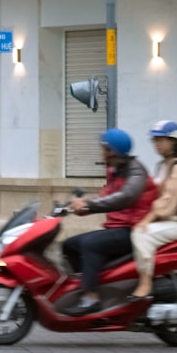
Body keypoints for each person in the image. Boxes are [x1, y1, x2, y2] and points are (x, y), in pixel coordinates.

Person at [62, 128, 157, 316]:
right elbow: (105, 197)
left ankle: (91, 298)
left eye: (103, 148)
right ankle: (94, 285)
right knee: (69, 245)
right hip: (116, 227)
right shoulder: (114, 170)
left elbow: (125, 197)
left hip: (133, 229)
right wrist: (78, 207)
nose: (101, 152)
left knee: (91, 244)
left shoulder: (136, 171)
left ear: (112, 151)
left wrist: (88, 204)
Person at [129, 120, 177, 300]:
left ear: (174, 142)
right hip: (164, 219)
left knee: (141, 234)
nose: (157, 144)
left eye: (162, 140)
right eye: (155, 140)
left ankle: (145, 283)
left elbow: (168, 201)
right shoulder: (161, 166)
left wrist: (147, 219)